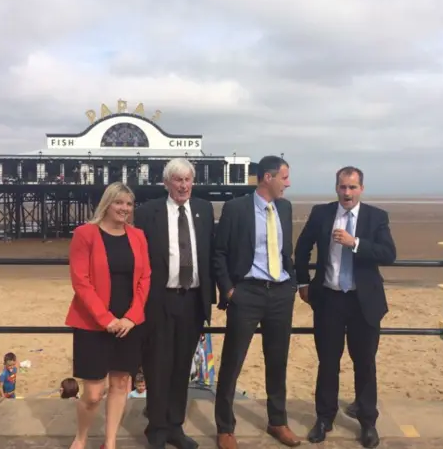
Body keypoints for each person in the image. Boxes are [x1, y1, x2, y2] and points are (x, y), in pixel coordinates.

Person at [294, 166, 396, 449]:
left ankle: (367, 422)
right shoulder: (322, 213)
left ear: (361, 189)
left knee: (364, 363)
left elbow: (389, 254)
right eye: (342, 187)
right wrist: (302, 282)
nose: (347, 193)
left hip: (364, 302)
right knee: (328, 362)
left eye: (352, 187)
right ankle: (324, 419)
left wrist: (356, 243)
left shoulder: (376, 217)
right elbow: (302, 249)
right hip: (329, 300)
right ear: (336, 188)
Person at [213, 155, 301, 449]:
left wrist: (292, 283)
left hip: (279, 293)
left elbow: (286, 251)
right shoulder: (236, 208)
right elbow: (219, 252)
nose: (288, 183)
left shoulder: (285, 207)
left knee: (277, 361)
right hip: (246, 293)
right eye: (284, 177)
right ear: (268, 177)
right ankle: (225, 428)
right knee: (233, 362)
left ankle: (278, 422)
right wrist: (229, 291)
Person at [134, 158, 216, 449]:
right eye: (177, 180)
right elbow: (137, 258)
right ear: (166, 183)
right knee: (157, 366)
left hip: (192, 300)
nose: (183, 185)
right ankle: (156, 429)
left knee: (182, 367)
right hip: (159, 300)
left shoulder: (204, 210)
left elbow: (211, 253)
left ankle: (175, 427)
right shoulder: (147, 213)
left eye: (187, 180)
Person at [65, 181, 151, 449]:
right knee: (92, 393)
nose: (124, 208)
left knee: (121, 384)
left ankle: (110, 441)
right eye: (119, 202)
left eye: (128, 204)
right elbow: (81, 282)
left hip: (128, 324)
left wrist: (131, 317)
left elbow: (145, 278)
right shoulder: (85, 234)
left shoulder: (138, 236)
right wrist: (107, 319)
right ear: (107, 203)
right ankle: (81, 438)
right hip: (92, 323)